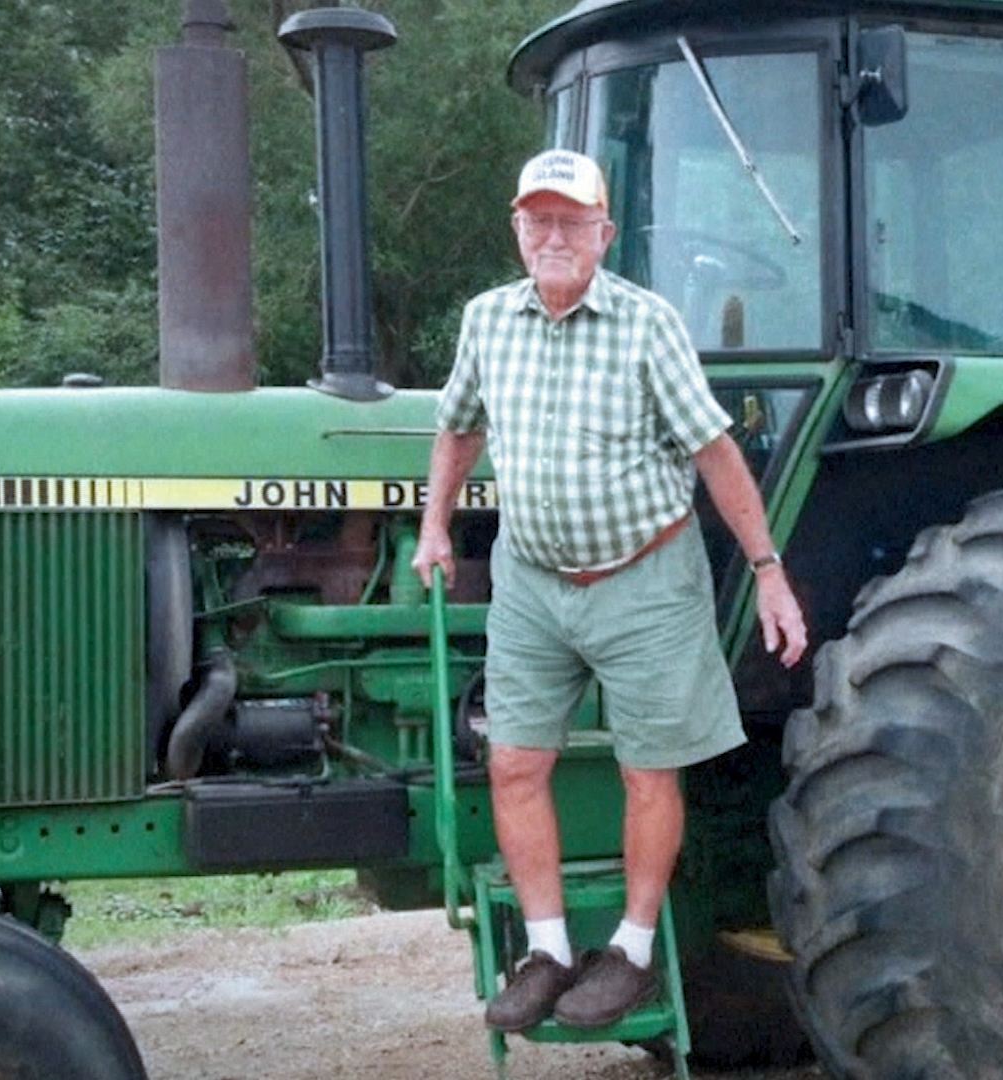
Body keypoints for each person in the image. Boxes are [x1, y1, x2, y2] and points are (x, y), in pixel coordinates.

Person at [412, 149, 807, 1032]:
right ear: (518, 228)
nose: (554, 236)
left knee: (645, 769)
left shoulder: (645, 324)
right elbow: (456, 428)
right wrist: (435, 526)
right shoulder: (488, 321)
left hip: (643, 577)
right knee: (514, 761)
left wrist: (769, 572)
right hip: (532, 578)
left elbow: (714, 450)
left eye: (571, 221)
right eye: (537, 220)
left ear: (604, 233)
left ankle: (628, 951)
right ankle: (549, 950)